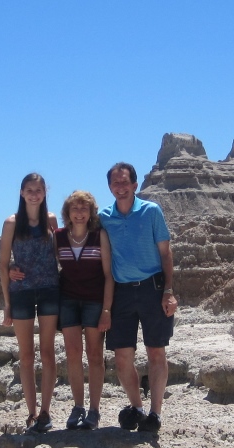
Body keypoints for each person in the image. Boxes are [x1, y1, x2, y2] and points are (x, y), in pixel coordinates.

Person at [99, 162, 177, 433]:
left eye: (125, 183)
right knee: (122, 356)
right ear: (110, 187)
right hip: (121, 292)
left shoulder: (151, 211)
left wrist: (168, 291)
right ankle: (137, 407)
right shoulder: (104, 217)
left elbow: (166, 253)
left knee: (156, 350)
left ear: (134, 185)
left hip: (152, 288)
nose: (120, 187)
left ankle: (155, 413)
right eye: (115, 183)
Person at [0, 173, 60, 433]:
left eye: (39, 189)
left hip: (49, 290)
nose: (34, 194)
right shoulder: (12, 223)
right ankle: (31, 412)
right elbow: (3, 265)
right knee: (26, 355)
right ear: (22, 193)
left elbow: (60, 256)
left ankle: (46, 412)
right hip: (22, 292)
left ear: (45, 192)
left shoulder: (51, 220)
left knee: (47, 353)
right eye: (29, 190)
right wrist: (7, 303)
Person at [54, 191, 114, 430]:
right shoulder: (58, 237)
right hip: (68, 301)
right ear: (67, 213)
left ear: (91, 213)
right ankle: (78, 406)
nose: (79, 213)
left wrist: (107, 309)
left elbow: (109, 275)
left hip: (95, 301)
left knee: (95, 355)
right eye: (75, 209)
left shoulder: (99, 236)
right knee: (72, 354)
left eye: (84, 209)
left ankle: (94, 410)